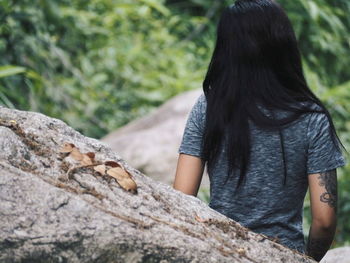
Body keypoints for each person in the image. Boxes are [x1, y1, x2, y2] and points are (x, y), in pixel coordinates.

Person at [172, 0, 347, 262]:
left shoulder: (210, 106)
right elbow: (324, 220)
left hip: (219, 251)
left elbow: (181, 197)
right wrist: (305, 258)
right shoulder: (311, 116)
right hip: (283, 255)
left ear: (226, 48)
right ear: (284, 45)